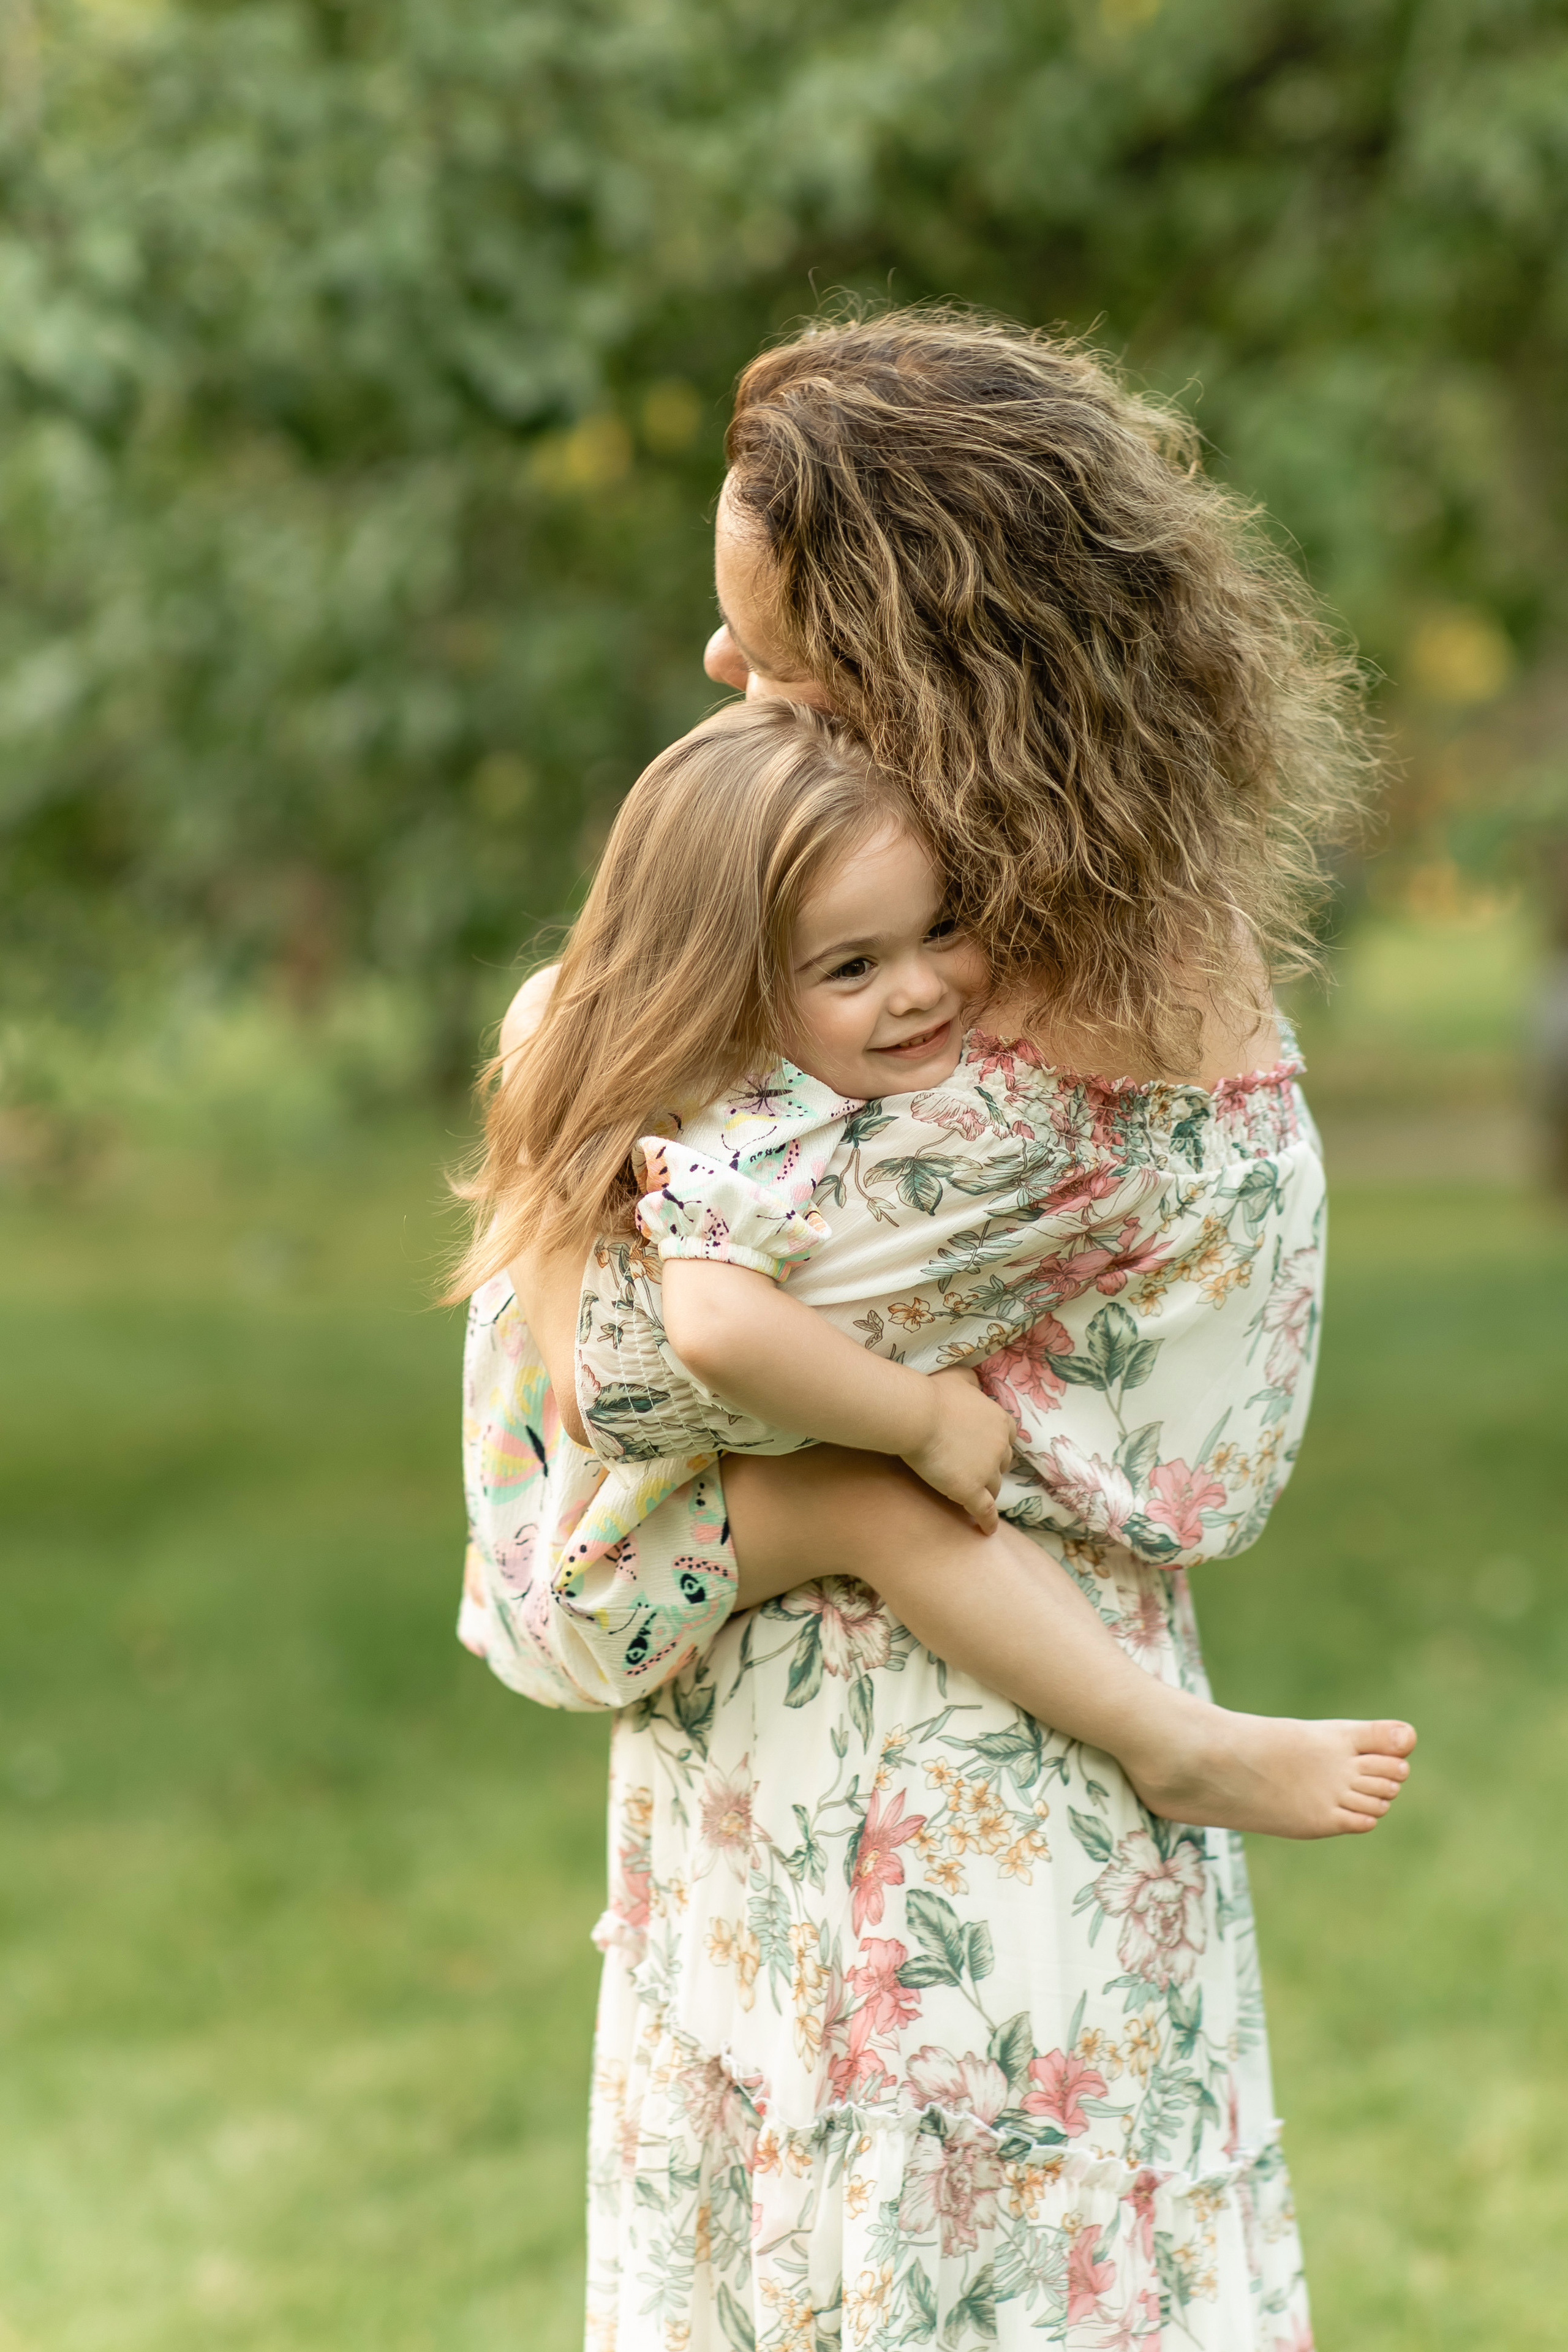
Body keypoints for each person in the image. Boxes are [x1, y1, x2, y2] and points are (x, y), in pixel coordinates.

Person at [458, 311, 1410, 2348]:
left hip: (921, 1823)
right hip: (916, 1785)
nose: (723, 672)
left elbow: (605, 1390)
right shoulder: (1059, 950)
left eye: (779, 659)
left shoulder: (999, 1063)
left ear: (940, 676)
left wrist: (550, 1063)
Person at [453, 692, 1412, 1842]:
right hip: (598, 1574)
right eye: (852, 967)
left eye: (944, 928)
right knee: (886, 1500)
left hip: (607, 1539)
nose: (919, 989)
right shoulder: (737, 1134)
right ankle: (1174, 1746)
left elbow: (546, 1013)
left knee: (879, 1493)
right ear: (736, 983)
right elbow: (713, 1326)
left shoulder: (721, 1073)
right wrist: (920, 1421)